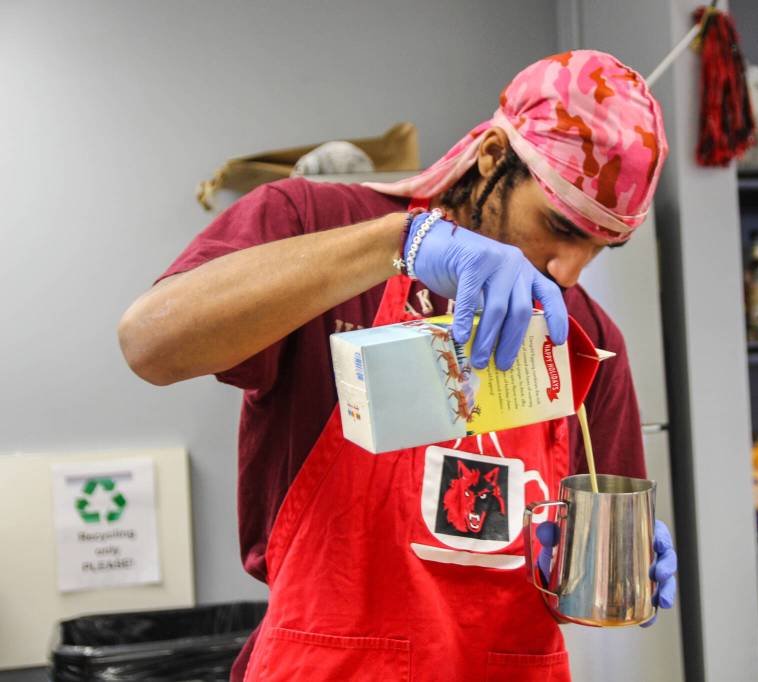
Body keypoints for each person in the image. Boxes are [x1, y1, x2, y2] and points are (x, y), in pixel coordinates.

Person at [118, 49, 677, 682]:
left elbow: (573, 584)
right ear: (493, 155)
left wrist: (603, 571)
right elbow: (151, 345)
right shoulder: (313, 222)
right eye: (557, 225)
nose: (569, 272)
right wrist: (399, 243)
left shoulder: (584, 339)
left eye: (600, 246)